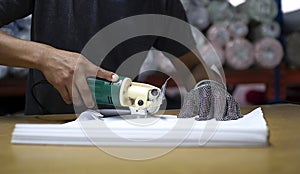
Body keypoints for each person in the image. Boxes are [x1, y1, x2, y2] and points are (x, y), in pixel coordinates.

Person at [0, 0, 205, 115]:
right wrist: (44, 57)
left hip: (123, 133)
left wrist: (209, 93)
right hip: (50, 127)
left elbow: (194, 66)